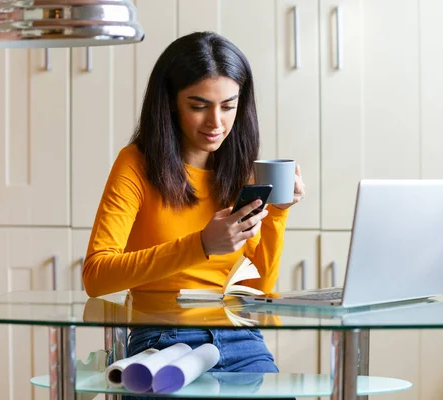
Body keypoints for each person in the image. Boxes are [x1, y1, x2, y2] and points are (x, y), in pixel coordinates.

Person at [83, 31, 305, 399]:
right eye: (199, 105)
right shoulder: (136, 164)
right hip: (162, 341)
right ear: (170, 102)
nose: (215, 122)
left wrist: (278, 214)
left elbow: (257, 289)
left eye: (228, 105)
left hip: (240, 338)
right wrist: (200, 244)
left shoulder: (242, 170)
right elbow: (96, 276)